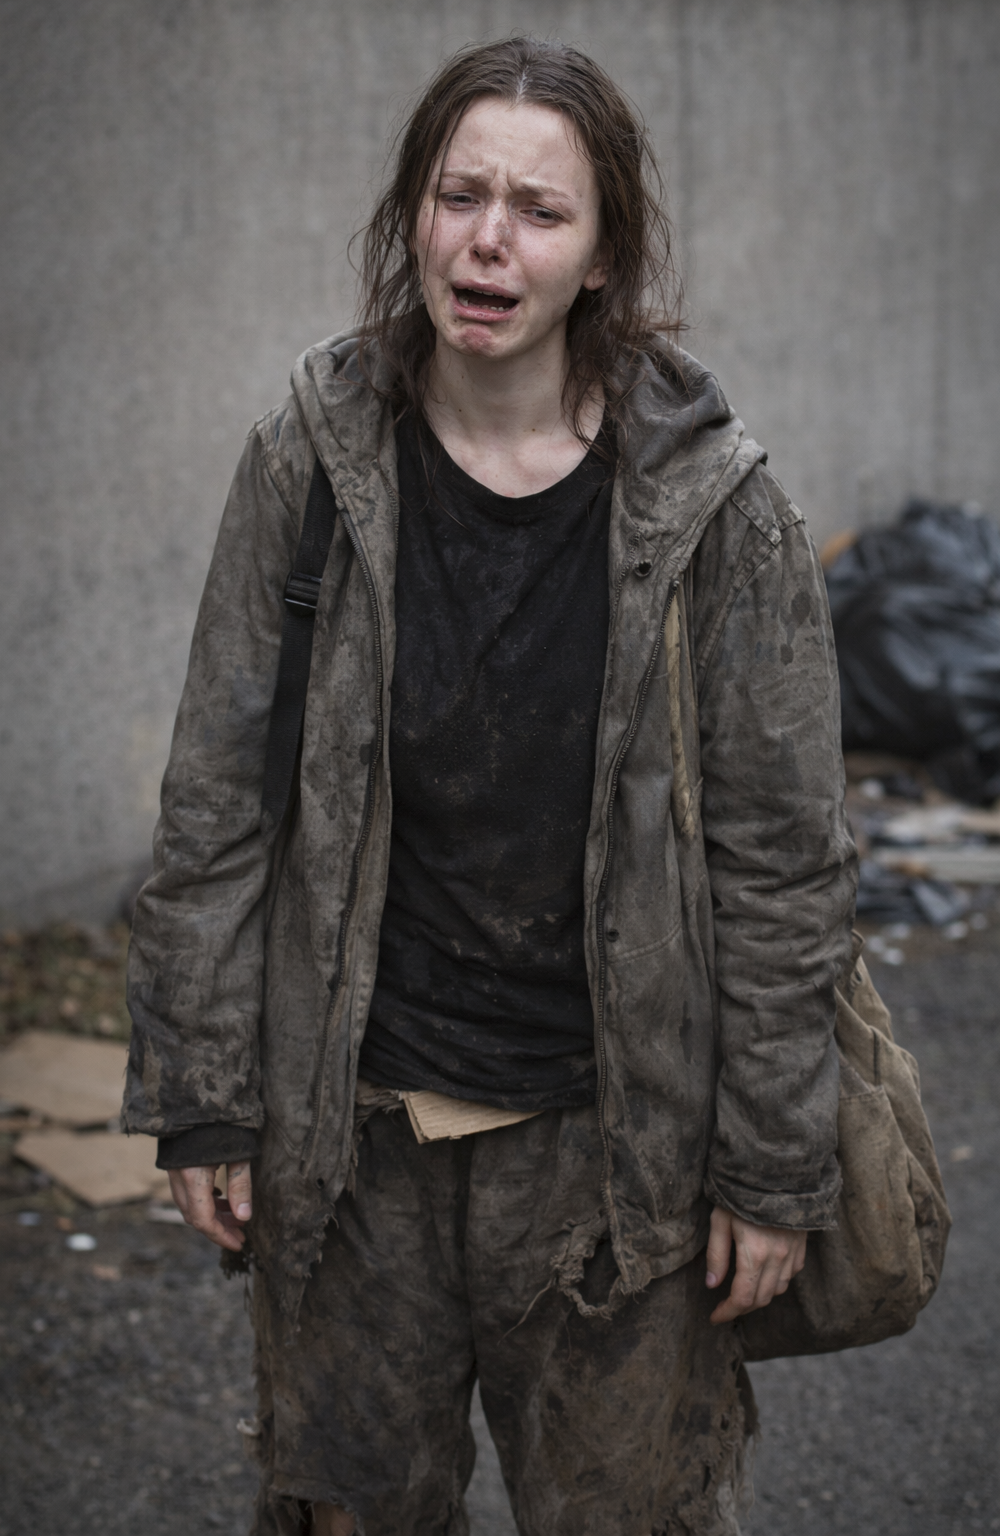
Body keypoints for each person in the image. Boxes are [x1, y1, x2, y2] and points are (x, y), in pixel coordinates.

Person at [122, 35, 856, 1536]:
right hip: (356, 1140)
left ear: (604, 256)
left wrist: (773, 1171)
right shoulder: (312, 461)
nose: (488, 242)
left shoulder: (715, 507)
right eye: (460, 196)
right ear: (413, 213)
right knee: (349, 1510)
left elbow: (783, 866)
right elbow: (216, 804)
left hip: (614, 1158)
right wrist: (203, 1099)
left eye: (539, 209)